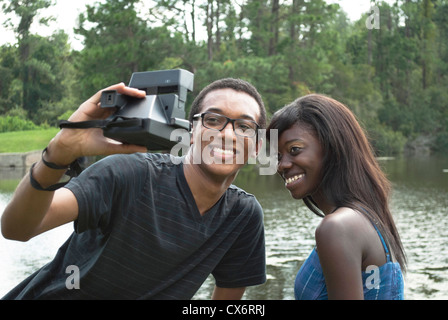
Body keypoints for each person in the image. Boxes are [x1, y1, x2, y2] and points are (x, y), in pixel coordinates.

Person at [1, 77, 267, 300]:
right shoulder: (130, 174)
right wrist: (58, 154)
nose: (228, 134)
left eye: (244, 126)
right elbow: (17, 229)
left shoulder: (243, 216)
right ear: (190, 130)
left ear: (256, 146)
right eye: (213, 119)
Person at [267, 93, 406, 300]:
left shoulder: (337, 228)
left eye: (294, 150)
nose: (282, 165)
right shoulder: (366, 217)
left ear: (331, 147)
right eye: (278, 156)